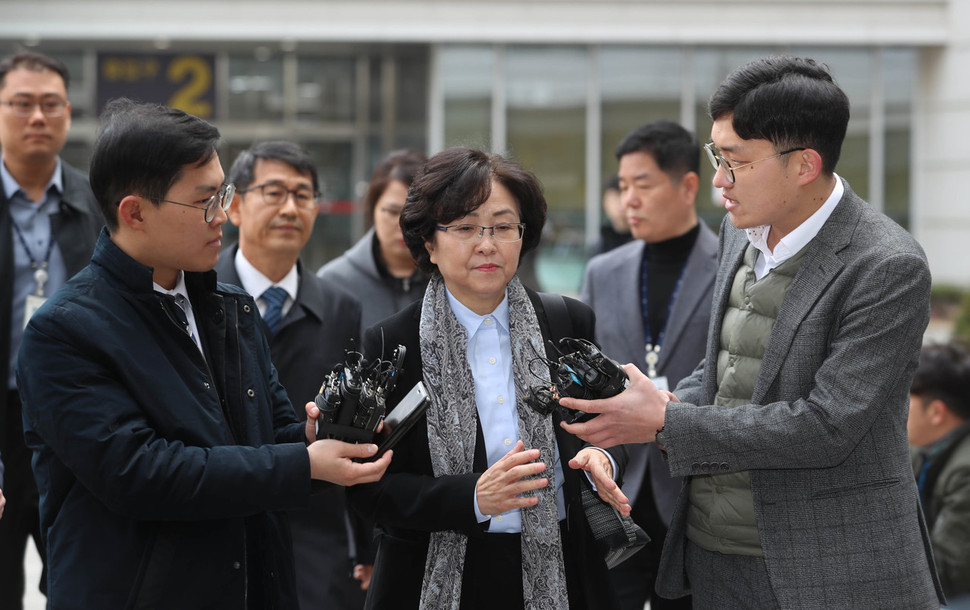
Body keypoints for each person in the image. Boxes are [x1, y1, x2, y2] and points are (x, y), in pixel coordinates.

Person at [560, 56, 944, 609]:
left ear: (804, 165)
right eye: (718, 157)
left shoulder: (885, 264)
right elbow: (718, 369)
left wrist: (665, 421)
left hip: (829, 565)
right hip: (714, 555)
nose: (718, 182)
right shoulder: (738, 233)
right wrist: (641, 410)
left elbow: (828, 425)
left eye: (734, 162)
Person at [15, 98, 391, 608]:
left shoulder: (228, 307)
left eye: (226, 194)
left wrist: (317, 432)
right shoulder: (64, 331)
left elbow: (267, 434)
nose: (224, 216)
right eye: (206, 201)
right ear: (135, 211)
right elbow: (141, 473)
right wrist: (303, 465)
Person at [347, 147, 630, 610]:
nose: (486, 243)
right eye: (464, 227)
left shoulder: (566, 322)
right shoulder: (389, 343)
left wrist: (601, 458)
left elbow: (607, 427)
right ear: (429, 244)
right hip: (431, 577)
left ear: (524, 235)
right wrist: (472, 497)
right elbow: (367, 488)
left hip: (561, 569)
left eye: (502, 227)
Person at [215, 140, 369, 609]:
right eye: (274, 192)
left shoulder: (341, 308)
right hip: (217, 513)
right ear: (235, 205)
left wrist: (365, 545)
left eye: (303, 196)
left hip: (313, 528)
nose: (290, 208)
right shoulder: (196, 300)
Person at [580, 120, 717, 610]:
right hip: (618, 491)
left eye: (643, 184)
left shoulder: (732, 265)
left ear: (688, 186)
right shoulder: (603, 271)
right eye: (622, 186)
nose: (629, 199)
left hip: (701, 494)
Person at [0, 50, 102, 609]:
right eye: (21, 104)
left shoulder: (99, 201)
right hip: (2, 412)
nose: (36, 117)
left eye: (49, 105)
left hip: (74, 412)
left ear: (67, 113)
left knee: (77, 568)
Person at [317, 149, 429, 337]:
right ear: (372, 209)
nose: (403, 224)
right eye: (393, 212)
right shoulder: (334, 283)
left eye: (416, 213)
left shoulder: (452, 279)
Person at [908, 341, 970, 606]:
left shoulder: (965, 472)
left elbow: (948, 573)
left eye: (903, 402)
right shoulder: (927, 448)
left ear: (936, 412)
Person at [594, 174, 632, 255]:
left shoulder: (644, 241)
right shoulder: (600, 244)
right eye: (614, 198)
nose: (620, 204)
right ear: (605, 203)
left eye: (622, 196)